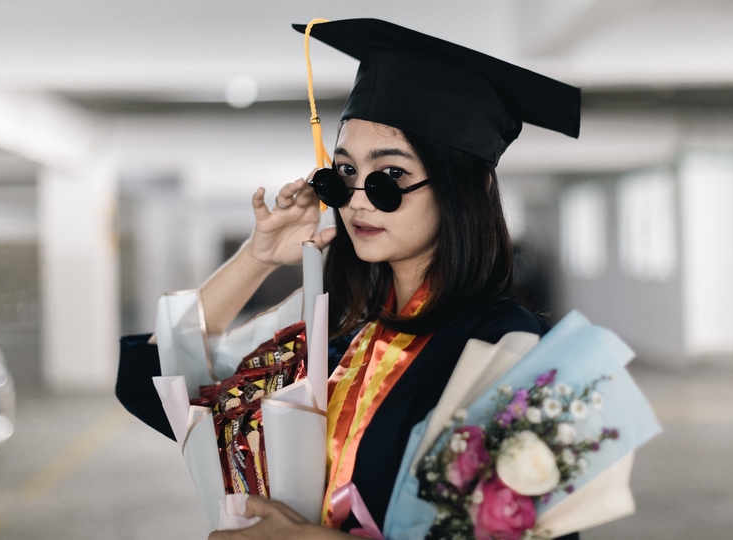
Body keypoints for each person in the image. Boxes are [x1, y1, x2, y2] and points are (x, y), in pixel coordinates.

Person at [115, 18, 581, 540]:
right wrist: (258, 256)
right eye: (343, 173)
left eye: (390, 177)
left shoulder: (503, 346)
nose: (358, 198)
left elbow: (539, 532)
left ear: (463, 185)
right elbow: (151, 381)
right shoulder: (339, 329)